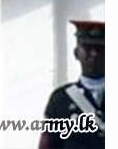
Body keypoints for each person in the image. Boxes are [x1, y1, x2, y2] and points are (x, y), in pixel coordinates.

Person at [38, 21, 105, 149]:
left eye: (101, 49)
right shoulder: (60, 99)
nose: (94, 54)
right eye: (87, 48)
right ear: (76, 53)